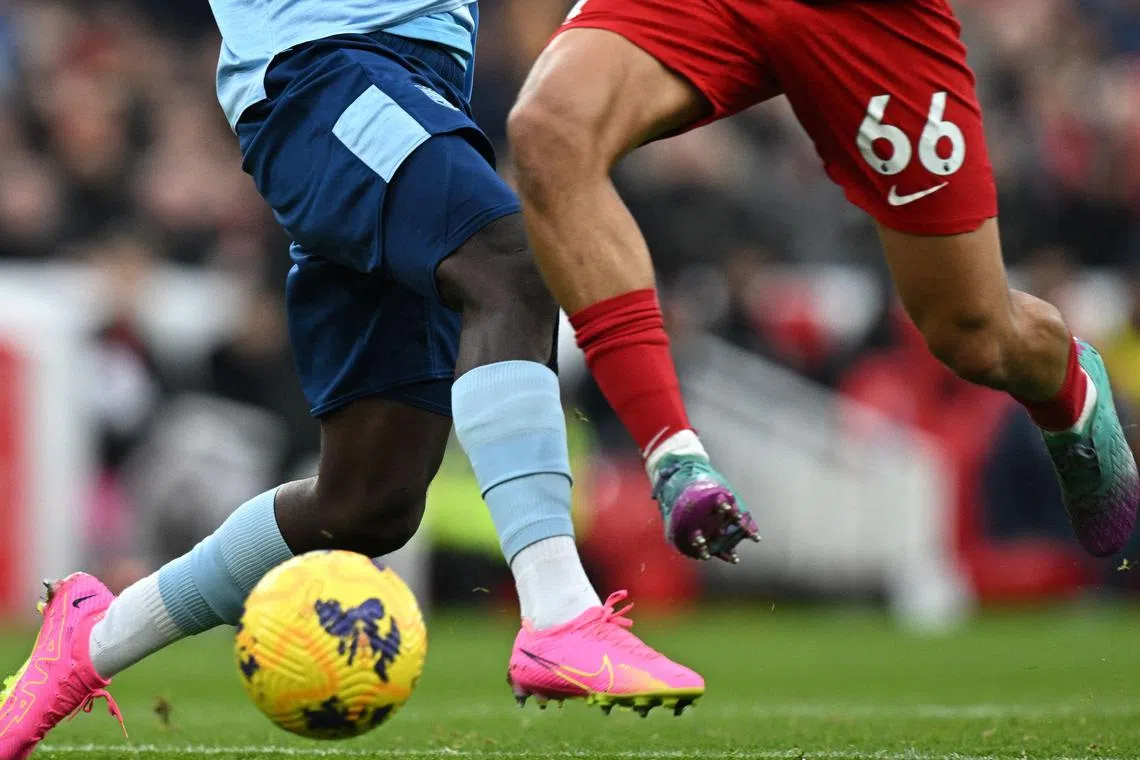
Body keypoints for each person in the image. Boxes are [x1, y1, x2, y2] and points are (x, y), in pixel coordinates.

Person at [0, 3, 705, 755]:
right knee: (511, 266)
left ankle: (92, 636)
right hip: (328, 69)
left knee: (367, 503)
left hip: (410, 90)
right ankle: (560, 613)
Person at [507, 0, 1139, 563]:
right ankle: (674, 456)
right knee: (548, 127)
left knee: (971, 333)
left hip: (869, 19)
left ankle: (1070, 391)